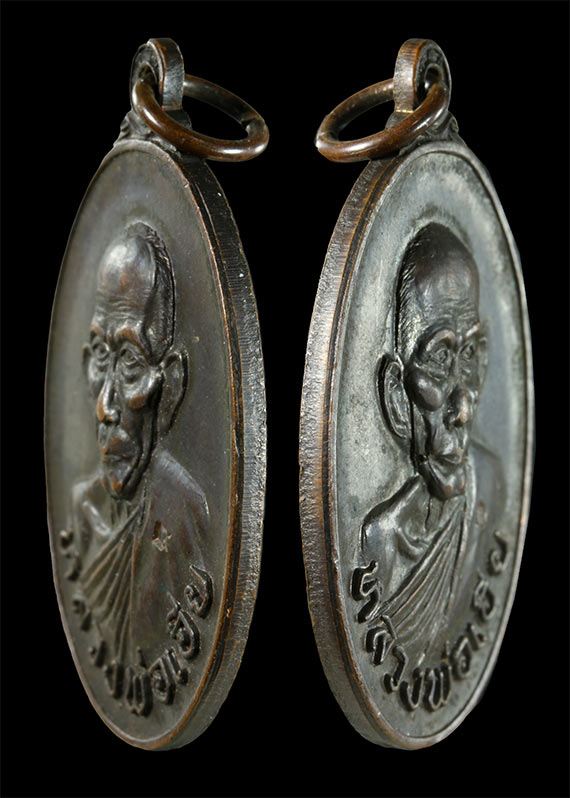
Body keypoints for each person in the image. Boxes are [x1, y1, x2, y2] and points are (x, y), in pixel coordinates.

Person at [359, 223, 503, 665]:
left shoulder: (490, 484)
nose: (463, 407)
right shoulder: (380, 543)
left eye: (469, 356)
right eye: (440, 359)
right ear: (396, 397)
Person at [69, 222, 209, 665]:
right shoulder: (84, 511)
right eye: (101, 357)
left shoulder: (189, 521)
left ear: (171, 386)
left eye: (130, 360)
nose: (105, 408)